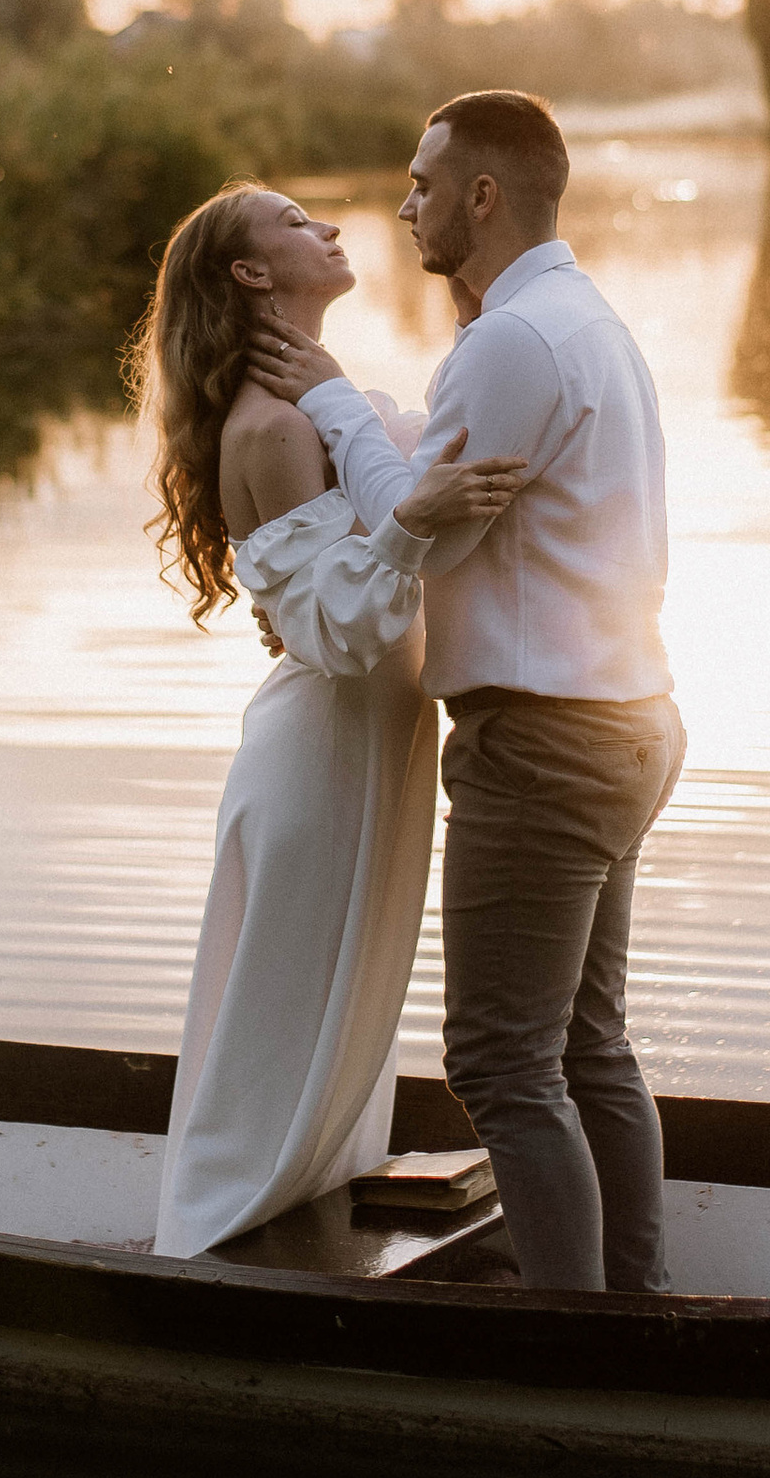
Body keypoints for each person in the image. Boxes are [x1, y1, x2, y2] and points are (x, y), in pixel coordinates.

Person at [248, 91, 683, 1296]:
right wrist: (378, 413)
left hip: (544, 744)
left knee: (501, 1063)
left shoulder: (511, 342)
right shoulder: (576, 320)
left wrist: (333, 396)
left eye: (422, 184)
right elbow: (452, 478)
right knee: (588, 1048)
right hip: (627, 719)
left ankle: (572, 1352)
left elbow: (418, 531)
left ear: (482, 195)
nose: (404, 206)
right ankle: (628, 1312)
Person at [134, 182, 526, 1256]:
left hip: (372, 747)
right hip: (321, 756)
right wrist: (410, 523)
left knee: (343, 1021)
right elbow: (333, 630)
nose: (330, 229)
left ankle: (299, 1248)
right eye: (296, 225)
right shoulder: (266, 429)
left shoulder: (321, 403)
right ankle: (205, 1253)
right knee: (284, 1027)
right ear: (252, 275)